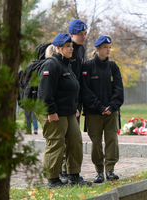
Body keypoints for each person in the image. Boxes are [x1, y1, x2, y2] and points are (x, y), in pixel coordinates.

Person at [38, 33, 92, 188]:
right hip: (55, 113)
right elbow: (45, 92)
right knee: (55, 144)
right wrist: (51, 111)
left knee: (75, 142)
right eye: (68, 46)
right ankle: (52, 180)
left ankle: (74, 176)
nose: (71, 49)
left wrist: (75, 107)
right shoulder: (51, 64)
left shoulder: (65, 64)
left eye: (71, 46)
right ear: (59, 48)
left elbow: (71, 89)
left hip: (68, 112)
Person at [81, 35, 124, 183]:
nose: (108, 50)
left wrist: (112, 106)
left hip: (111, 112)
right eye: (105, 47)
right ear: (98, 48)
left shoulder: (113, 67)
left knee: (112, 140)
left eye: (109, 47)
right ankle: (99, 171)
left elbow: (119, 89)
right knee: (97, 143)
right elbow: (85, 91)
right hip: (94, 113)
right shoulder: (87, 67)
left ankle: (110, 170)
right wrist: (99, 107)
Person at [59, 19, 88, 184]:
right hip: (67, 103)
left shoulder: (80, 49)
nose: (83, 37)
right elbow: (68, 81)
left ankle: (69, 171)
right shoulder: (67, 50)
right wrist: (74, 105)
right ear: (71, 35)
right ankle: (63, 171)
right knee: (65, 138)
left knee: (73, 138)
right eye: (80, 34)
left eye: (85, 34)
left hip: (76, 102)